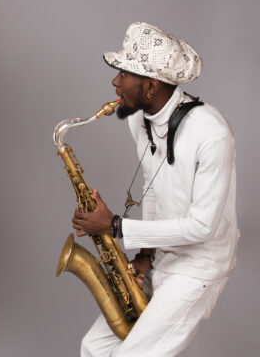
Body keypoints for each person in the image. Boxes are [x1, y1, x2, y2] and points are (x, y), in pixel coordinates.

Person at [71, 22, 239, 356]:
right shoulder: (140, 118)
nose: (115, 82)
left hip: (198, 268)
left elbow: (202, 227)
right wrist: (145, 256)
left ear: (149, 85)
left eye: (123, 74)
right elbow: (152, 187)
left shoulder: (212, 134)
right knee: (93, 347)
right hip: (161, 258)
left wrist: (115, 226)